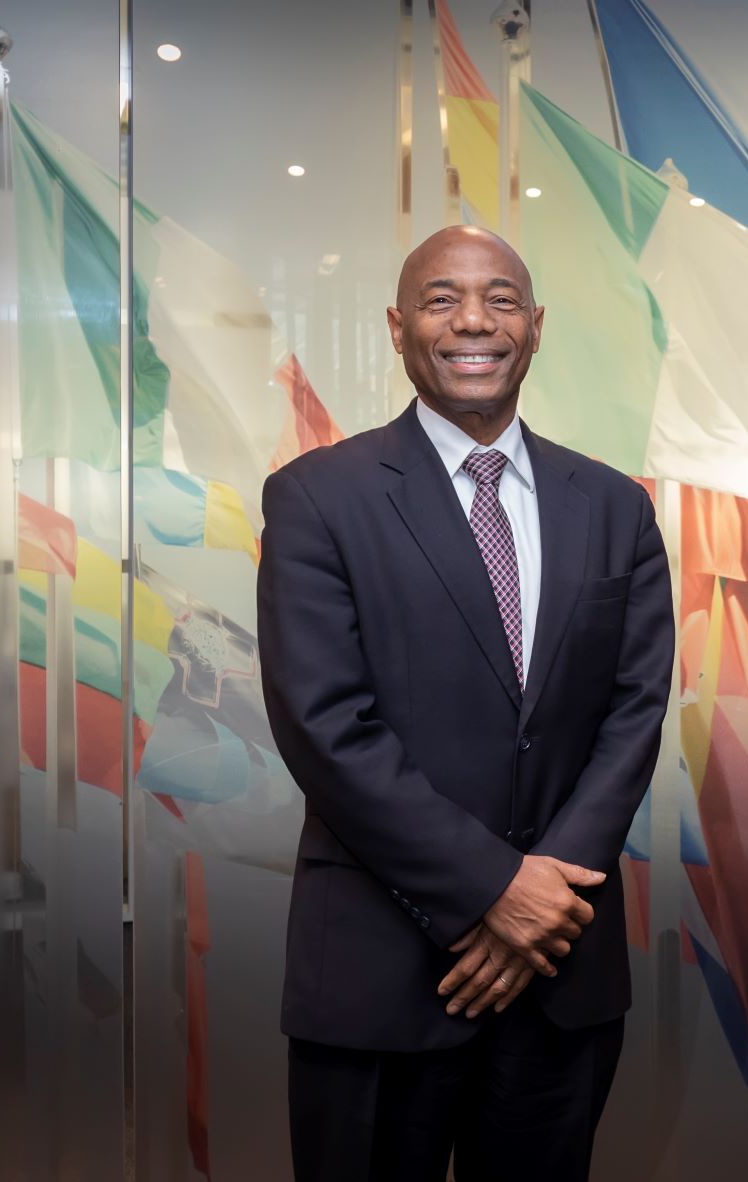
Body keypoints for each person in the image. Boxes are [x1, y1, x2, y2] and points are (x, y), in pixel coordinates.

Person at [258, 225, 673, 1182]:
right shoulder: (319, 497)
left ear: (535, 326)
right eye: (441, 300)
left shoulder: (614, 505)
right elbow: (326, 729)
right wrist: (494, 891)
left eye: (498, 300)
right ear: (400, 329)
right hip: (378, 973)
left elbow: (633, 711)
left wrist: (545, 901)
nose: (472, 321)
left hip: (560, 978)